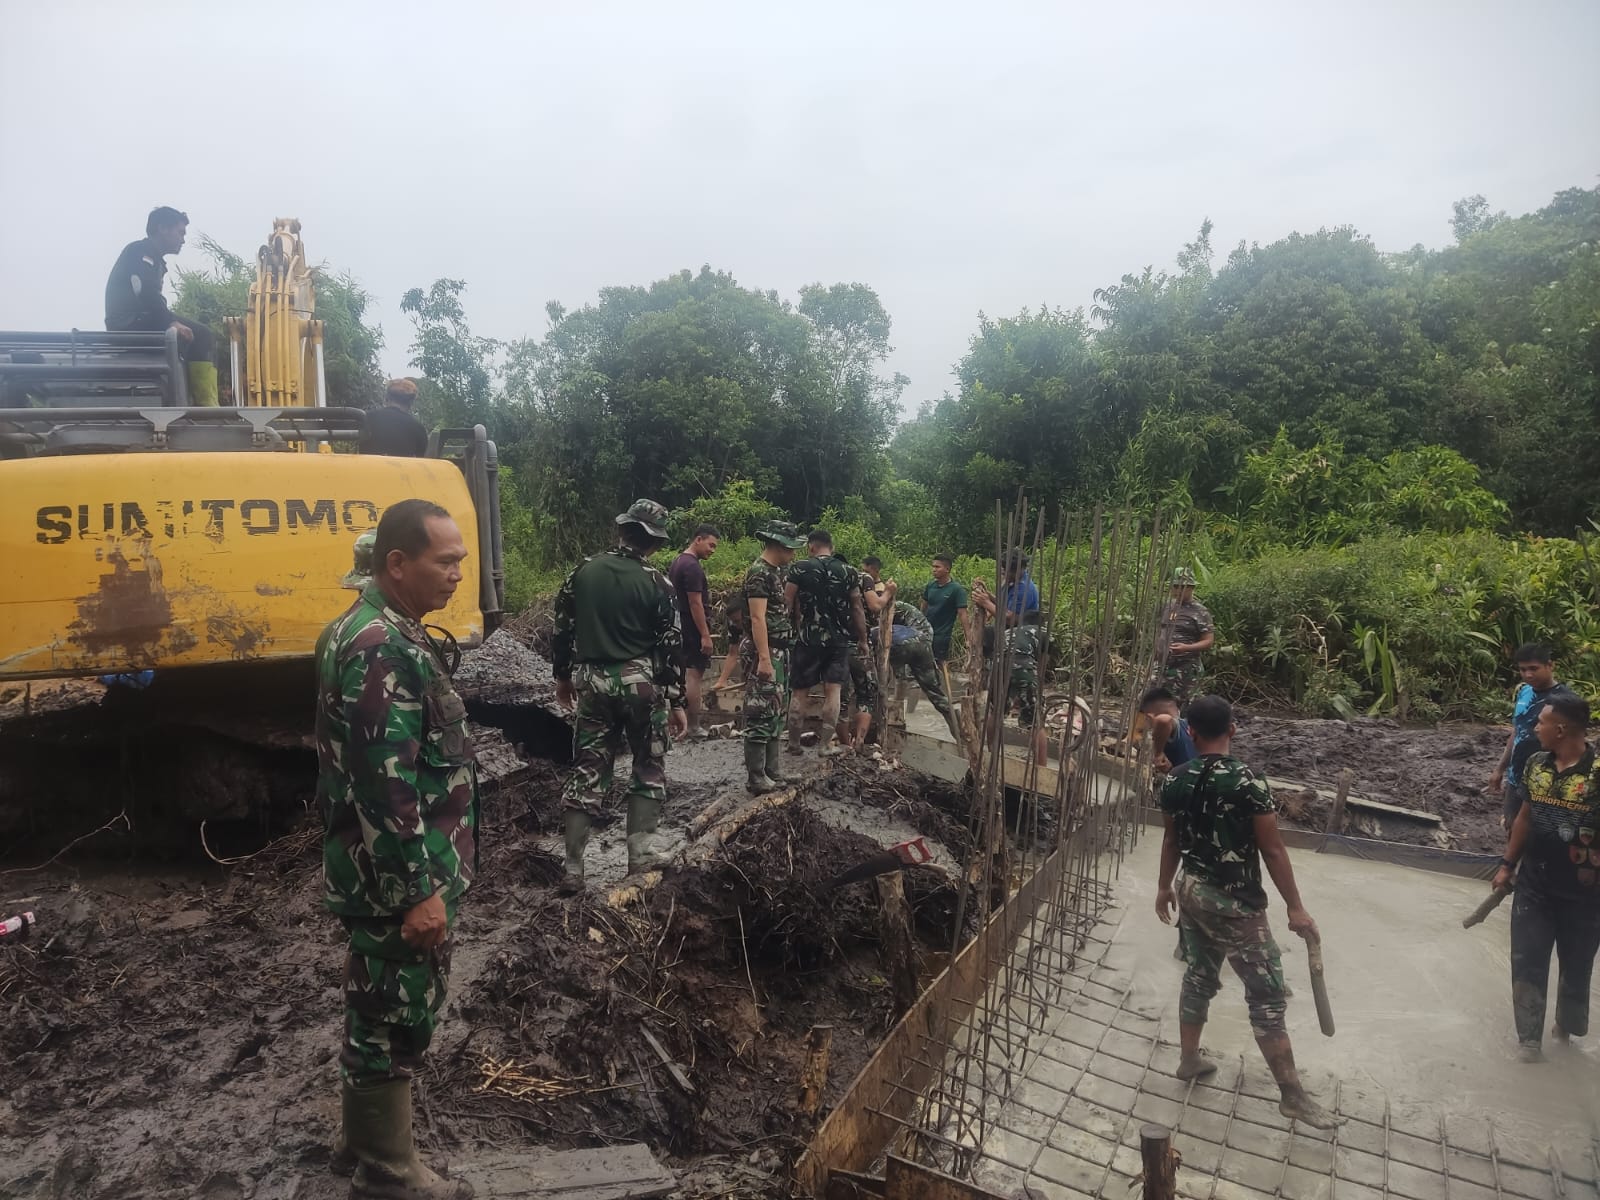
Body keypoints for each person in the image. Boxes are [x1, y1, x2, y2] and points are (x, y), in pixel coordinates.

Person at [316, 499, 478, 1199]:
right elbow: (386, 785)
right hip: (396, 874)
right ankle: (387, 1169)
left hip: (386, 866)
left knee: (375, 999)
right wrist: (418, 891)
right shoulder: (381, 645)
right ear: (397, 563)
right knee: (397, 1009)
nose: (457, 574)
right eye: (446, 562)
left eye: (461, 561)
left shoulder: (371, 627)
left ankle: (361, 1140)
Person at [1155, 695, 1339, 1128]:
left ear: (1191, 732)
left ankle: (1189, 1060)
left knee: (1199, 975)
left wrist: (1164, 887)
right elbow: (1272, 849)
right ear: (1233, 730)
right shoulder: (1249, 782)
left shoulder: (1174, 779)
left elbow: (1170, 840)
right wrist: (1296, 908)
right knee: (1268, 996)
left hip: (1191, 891)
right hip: (1235, 904)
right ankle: (1292, 1095)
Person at [551, 499, 688, 891]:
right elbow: (670, 646)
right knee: (648, 765)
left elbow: (562, 628)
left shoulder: (582, 571)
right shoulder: (657, 583)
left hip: (592, 683)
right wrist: (676, 700)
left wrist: (562, 677)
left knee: (588, 769)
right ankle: (639, 857)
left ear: (622, 530)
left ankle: (573, 868)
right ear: (655, 542)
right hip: (640, 686)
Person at [1492, 694, 1600, 1062]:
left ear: (1561, 729)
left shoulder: (1597, 771)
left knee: (1577, 965)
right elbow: (1525, 817)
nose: (1535, 728)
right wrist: (1507, 865)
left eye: (1541, 722)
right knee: (1527, 959)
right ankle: (1529, 1043)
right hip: (1535, 884)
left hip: (1587, 892)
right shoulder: (1536, 764)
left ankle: (1565, 1030)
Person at [104, 206, 218, 406]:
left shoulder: (154, 258)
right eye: (180, 232)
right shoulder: (139, 251)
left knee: (189, 338)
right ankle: (206, 404)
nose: (183, 240)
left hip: (138, 320)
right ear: (163, 228)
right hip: (128, 323)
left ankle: (189, 399)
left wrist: (170, 321)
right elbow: (144, 291)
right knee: (201, 334)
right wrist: (170, 322)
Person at [785, 529, 869, 755]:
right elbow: (857, 608)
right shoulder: (849, 571)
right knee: (833, 691)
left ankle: (793, 744)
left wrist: (785, 633)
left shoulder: (799, 568)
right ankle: (824, 746)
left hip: (807, 639)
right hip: (838, 642)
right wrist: (863, 639)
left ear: (811, 546)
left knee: (799, 692)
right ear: (832, 547)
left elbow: (787, 602)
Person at [741, 521, 807, 793]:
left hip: (781, 649)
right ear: (779, 545)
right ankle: (756, 776)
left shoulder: (776, 572)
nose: (793, 553)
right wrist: (765, 658)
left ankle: (773, 771)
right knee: (761, 710)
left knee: (776, 711)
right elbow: (757, 618)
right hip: (765, 650)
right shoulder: (759, 573)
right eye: (791, 548)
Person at [1489, 644, 1578, 833]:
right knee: (1512, 827)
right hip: (1516, 777)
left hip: (1546, 782)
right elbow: (1517, 732)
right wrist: (1500, 769)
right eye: (1523, 670)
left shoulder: (1566, 700)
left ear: (1550, 665)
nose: (1528, 675)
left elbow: (1574, 745)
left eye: (1534, 668)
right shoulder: (1525, 692)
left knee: (1541, 834)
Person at [669, 524, 720, 738]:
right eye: (711, 545)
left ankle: (676, 724)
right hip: (691, 628)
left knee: (680, 676)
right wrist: (705, 635)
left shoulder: (678, 562)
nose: (713, 550)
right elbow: (695, 603)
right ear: (698, 539)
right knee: (694, 676)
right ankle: (693, 725)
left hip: (679, 625)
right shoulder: (692, 567)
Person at [884, 586, 956, 732]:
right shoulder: (894, 607)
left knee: (908, 677)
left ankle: (906, 712)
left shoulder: (887, 608)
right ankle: (953, 719)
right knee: (924, 685)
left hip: (915, 638)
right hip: (917, 639)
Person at [838, 563, 885, 750]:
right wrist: (889, 593)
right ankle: (859, 740)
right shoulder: (863, 578)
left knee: (838, 698)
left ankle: (844, 744)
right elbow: (875, 606)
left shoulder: (824, 579)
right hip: (858, 646)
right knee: (866, 694)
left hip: (834, 647)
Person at [1158, 568, 1214, 707]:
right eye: (1175, 586)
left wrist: (1186, 648)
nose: (1178, 590)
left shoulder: (1200, 611)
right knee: (1150, 701)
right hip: (1162, 665)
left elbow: (1208, 641)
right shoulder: (1167, 606)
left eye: (1182, 587)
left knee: (1185, 706)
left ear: (1191, 588)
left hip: (1186, 668)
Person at [1000, 610, 1050, 764]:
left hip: (998, 668)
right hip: (1023, 666)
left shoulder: (1008, 632)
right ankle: (1041, 767)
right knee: (1035, 721)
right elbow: (1041, 668)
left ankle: (991, 752)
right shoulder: (1042, 632)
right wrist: (1034, 690)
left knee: (995, 713)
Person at [362, 378, 431, 458]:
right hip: (401, 466)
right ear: (411, 402)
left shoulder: (365, 418)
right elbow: (422, 459)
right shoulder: (418, 428)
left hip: (364, 465)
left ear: (386, 397)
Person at [922, 554, 969, 665]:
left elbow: (963, 614)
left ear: (947, 569)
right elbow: (924, 606)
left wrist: (968, 637)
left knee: (940, 663)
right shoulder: (930, 586)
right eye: (933, 566)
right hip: (926, 631)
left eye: (937, 567)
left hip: (942, 635)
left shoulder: (957, 590)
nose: (934, 569)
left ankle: (944, 677)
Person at [1140, 685, 1196, 774]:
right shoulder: (1190, 725)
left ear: (1149, 717)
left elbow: (1164, 720)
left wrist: (1158, 754)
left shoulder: (1175, 727)